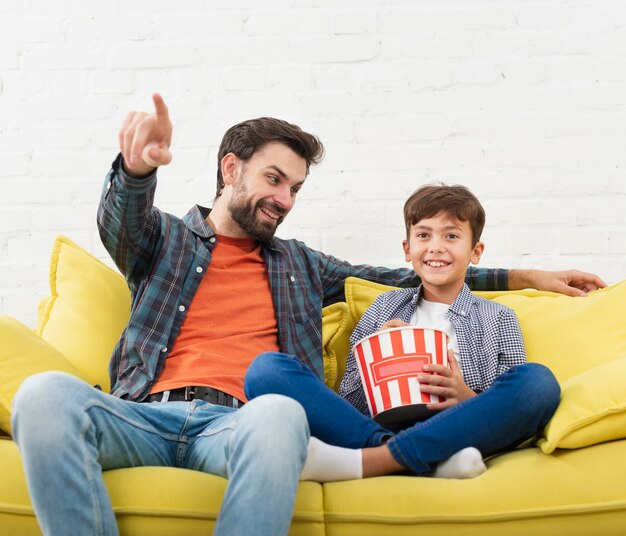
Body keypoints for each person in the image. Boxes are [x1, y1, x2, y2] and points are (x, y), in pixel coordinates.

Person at [11, 93, 605, 536]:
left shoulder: (299, 263)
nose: (284, 200)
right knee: (41, 395)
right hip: (142, 414)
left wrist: (525, 277)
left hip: (243, 424)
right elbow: (121, 222)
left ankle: (382, 458)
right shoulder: (162, 242)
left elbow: (411, 273)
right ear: (229, 169)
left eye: (294, 188)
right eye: (274, 180)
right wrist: (138, 171)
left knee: (276, 409)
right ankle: (400, 456)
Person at [244, 183, 589, 479]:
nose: (436, 246)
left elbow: (511, 404)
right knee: (267, 370)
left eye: (451, 236)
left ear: (475, 251)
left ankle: (376, 461)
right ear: (408, 250)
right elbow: (348, 400)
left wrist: (464, 396)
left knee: (538, 382)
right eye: (424, 235)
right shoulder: (383, 308)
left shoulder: (498, 317)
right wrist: (375, 354)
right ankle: (415, 458)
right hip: (376, 426)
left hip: (459, 428)